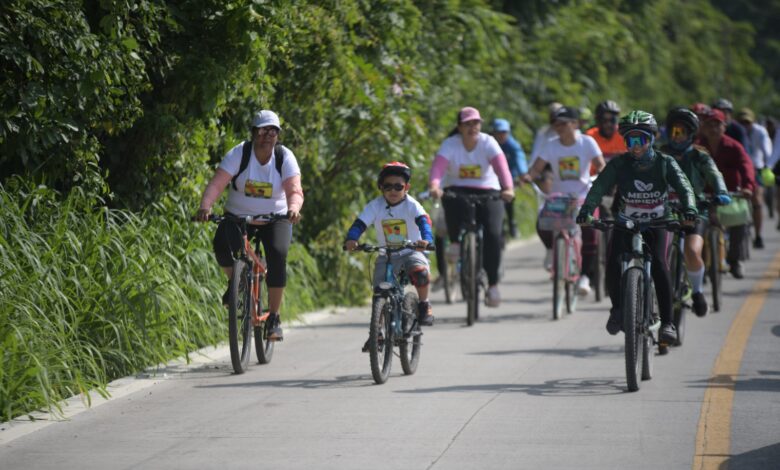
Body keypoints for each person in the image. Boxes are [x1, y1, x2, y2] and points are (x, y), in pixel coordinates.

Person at [576, 110, 698, 344]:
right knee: (612, 261)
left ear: (652, 139)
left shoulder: (665, 162)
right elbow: (599, 187)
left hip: (658, 220)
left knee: (661, 265)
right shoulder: (619, 164)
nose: (635, 146)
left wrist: (689, 209)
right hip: (626, 221)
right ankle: (617, 310)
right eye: (630, 140)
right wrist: (586, 211)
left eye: (641, 139)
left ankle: (668, 323)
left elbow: (684, 188)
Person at [196, 110, 304, 341]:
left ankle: (274, 317)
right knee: (221, 245)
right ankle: (237, 283)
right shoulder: (239, 154)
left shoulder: (284, 157)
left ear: (278, 134)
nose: (267, 135)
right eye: (262, 130)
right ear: (254, 132)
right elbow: (217, 184)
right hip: (238, 215)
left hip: (276, 217)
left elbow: (294, 190)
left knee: (277, 254)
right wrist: (206, 206)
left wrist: (293, 208)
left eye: (272, 130)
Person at [428, 106, 515, 307]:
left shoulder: (488, 142)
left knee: (493, 234)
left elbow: (502, 167)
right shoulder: (450, 144)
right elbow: (438, 168)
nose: (472, 127)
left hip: (488, 190)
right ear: (459, 127)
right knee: (449, 200)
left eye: (476, 123)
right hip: (457, 189)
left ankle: (493, 285)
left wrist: (508, 188)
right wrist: (434, 185)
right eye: (467, 124)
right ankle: (456, 243)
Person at [344, 162, 435, 351]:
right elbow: (360, 224)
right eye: (388, 186)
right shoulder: (375, 206)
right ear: (381, 187)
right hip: (387, 254)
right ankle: (376, 333)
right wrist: (352, 239)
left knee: (420, 274)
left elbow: (424, 222)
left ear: (407, 188)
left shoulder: (412, 205)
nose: (393, 190)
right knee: (380, 293)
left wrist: (426, 240)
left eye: (398, 186)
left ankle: (424, 305)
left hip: (412, 251)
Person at [521, 106, 605, 295]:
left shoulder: (587, 142)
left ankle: (585, 277)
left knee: (591, 232)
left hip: (583, 196)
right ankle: (552, 249)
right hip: (559, 197)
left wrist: (601, 174)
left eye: (563, 123)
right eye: (555, 123)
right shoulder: (551, 144)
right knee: (542, 224)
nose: (558, 127)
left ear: (574, 124)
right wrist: (529, 176)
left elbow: (600, 165)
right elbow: (537, 168)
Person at [660, 107, 731, 317]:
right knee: (654, 253)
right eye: (674, 131)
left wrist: (721, 191)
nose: (677, 137)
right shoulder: (659, 154)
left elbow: (714, 174)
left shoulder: (700, 155)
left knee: (692, 251)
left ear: (691, 134)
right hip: (663, 210)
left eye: (681, 132)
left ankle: (697, 291)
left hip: (695, 210)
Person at [697, 108, 756, 279]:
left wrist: (747, 187)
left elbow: (746, 166)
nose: (713, 129)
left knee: (741, 220)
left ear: (724, 126)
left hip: (730, 194)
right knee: (694, 226)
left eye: (717, 125)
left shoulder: (734, 146)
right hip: (704, 195)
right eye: (709, 125)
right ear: (703, 127)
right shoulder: (697, 147)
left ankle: (735, 260)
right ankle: (699, 264)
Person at [735, 107, 773, 248]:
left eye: (747, 122)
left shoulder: (760, 132)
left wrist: (768, 166)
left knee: (756, 199)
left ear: (753, 122)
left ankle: (758, 235)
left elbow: (767, 150)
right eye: (742, 122)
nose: (745, 125)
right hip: (739, 166)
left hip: (757, 167)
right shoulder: (735, 131)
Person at [491, 118, 528, 238]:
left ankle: (512, 222)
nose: (501, 135)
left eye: (504, 132)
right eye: (498, 132)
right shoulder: (489, 144)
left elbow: (519, 158)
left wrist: (522, 174)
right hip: (492, 177)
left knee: (508, 199)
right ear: (494, 133)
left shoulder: (512, 145)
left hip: (509, 177)